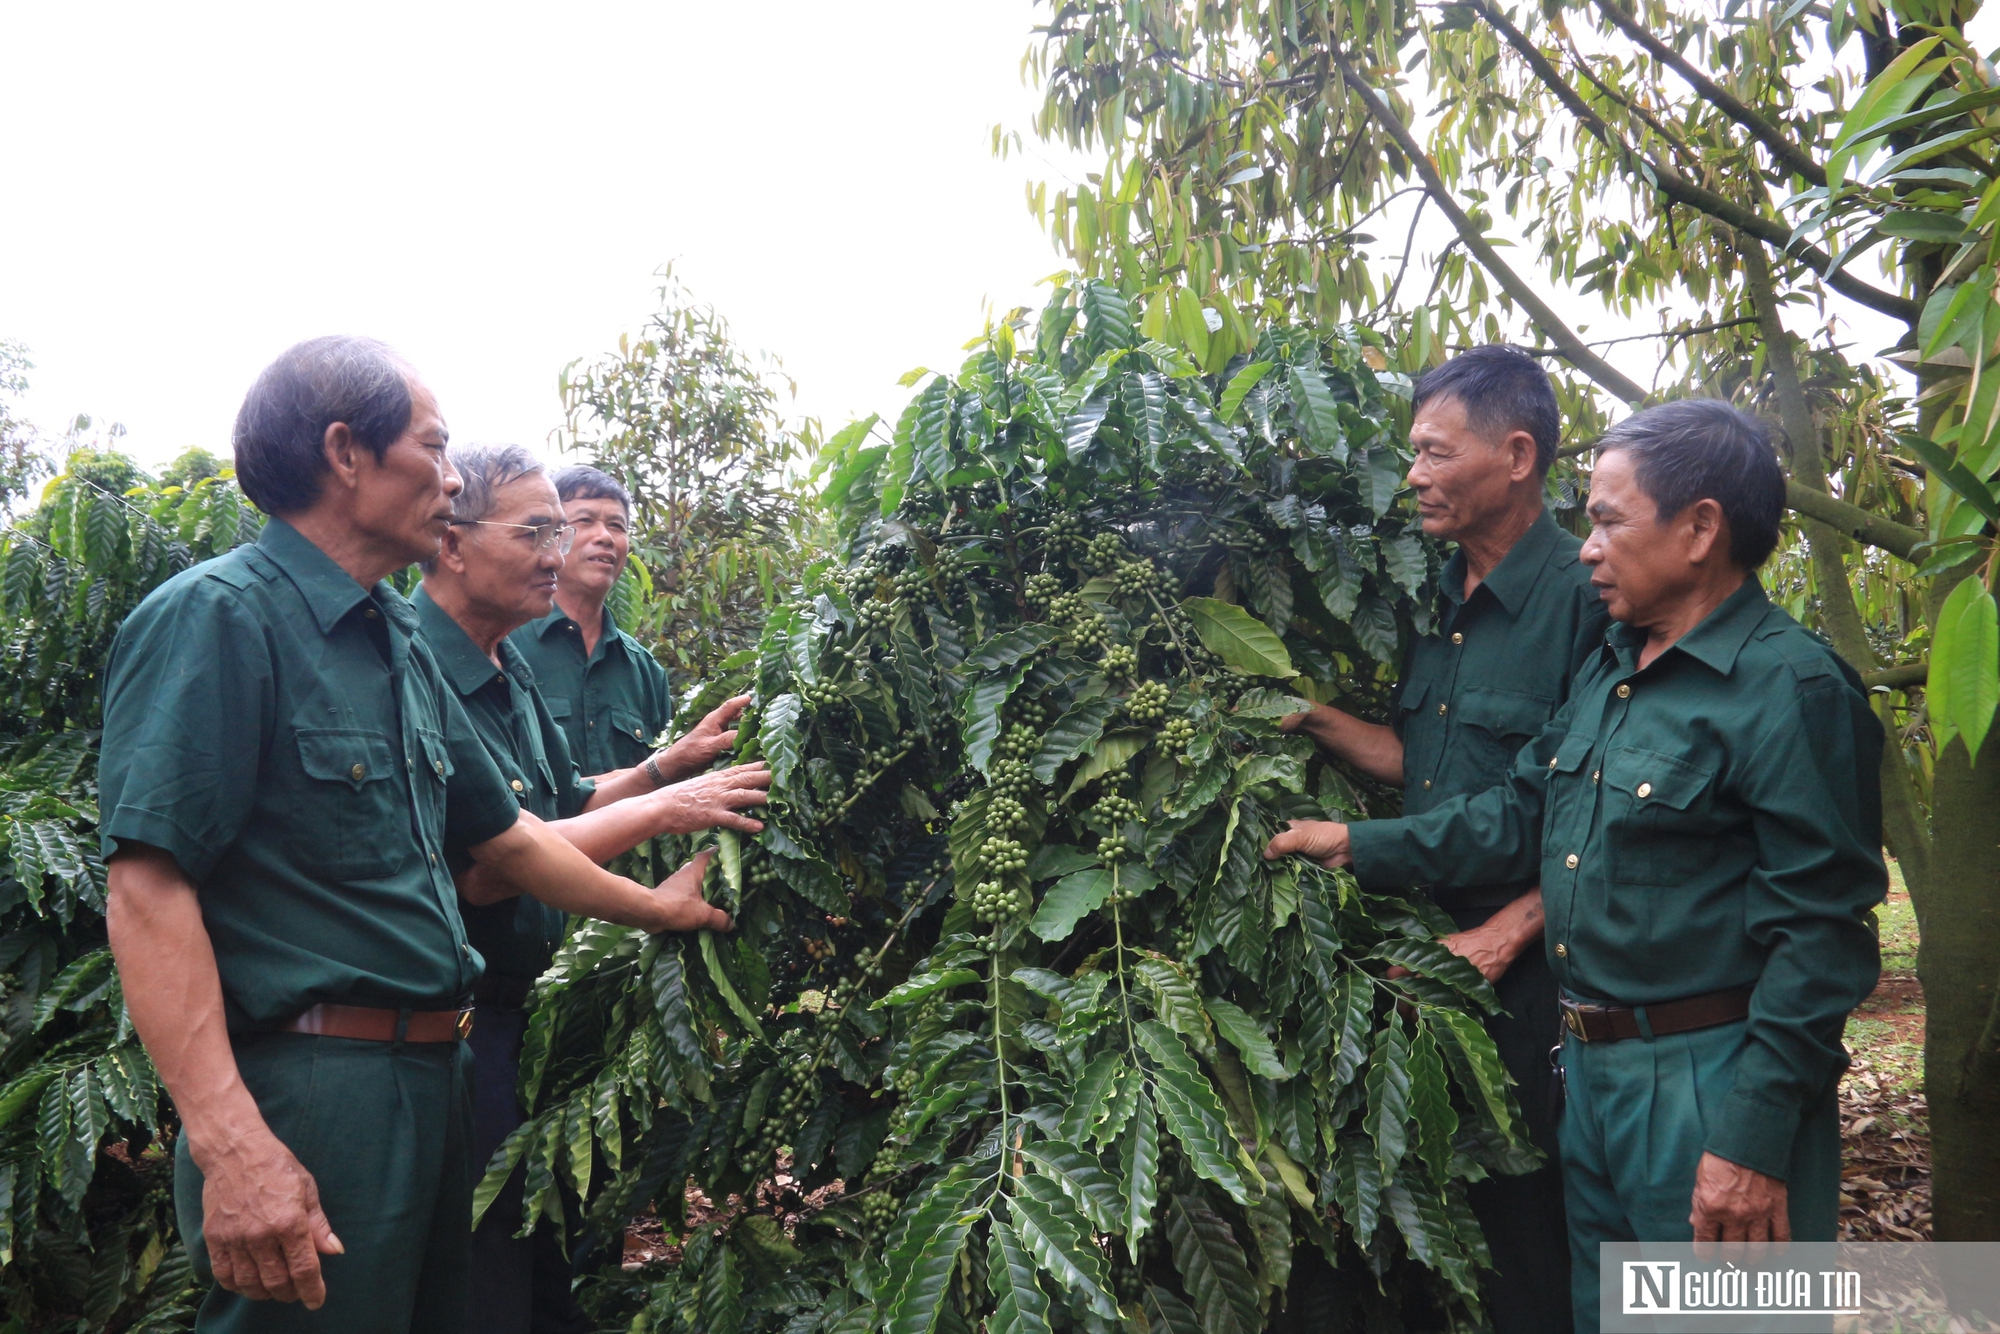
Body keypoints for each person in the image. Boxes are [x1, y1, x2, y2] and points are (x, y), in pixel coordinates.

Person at [99, 337, 731, 1334]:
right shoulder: (219, 620)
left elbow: (510, 838)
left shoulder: (394, 640)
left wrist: (657, 905)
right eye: (432, 450)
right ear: (346, 452)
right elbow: (147, 887)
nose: (447, 479)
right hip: (316, 1089)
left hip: (439, 1074)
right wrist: (232, 1143)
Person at [1267, 400, 1886, 1333]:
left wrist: (1752, 1140)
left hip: (1708, 1081)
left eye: (1606, 520)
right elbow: (1521, 809)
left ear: (1701, 529)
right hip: (1592, 1076)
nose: (1586, 549)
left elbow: (1825, 935)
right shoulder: (1613, 667)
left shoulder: (1789, 689)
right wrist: (1352, 843)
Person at [1280, 345, 1604, 1333]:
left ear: (1514, 455)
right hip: (1422, 953)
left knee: (1521, 1237)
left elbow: (1584, 809)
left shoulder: (1590, 599)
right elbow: (1424, 763)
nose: (1410, 474)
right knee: (1426, 1215)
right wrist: (1306, 715)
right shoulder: (1432, 598)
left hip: (1531, 970)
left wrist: (1511, 923)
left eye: (1429, 452)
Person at [411, 444, 768, 1333]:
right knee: (486, 1262)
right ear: (452, 541)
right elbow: (500, 859)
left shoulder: (506, 668)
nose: (558, 550)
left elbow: (565, 798)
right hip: (456, 1015)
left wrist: (663, 769)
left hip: (538, 1003)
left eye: (561, 531)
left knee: (546, 1258)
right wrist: (667, 824)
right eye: (540, 530)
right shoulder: (415, 667)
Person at [510, 466, 673, 778]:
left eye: (617, 526)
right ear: (551, 535)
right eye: (585, 521)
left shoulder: (645, 672)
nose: (605, 537)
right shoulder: (503, 645)